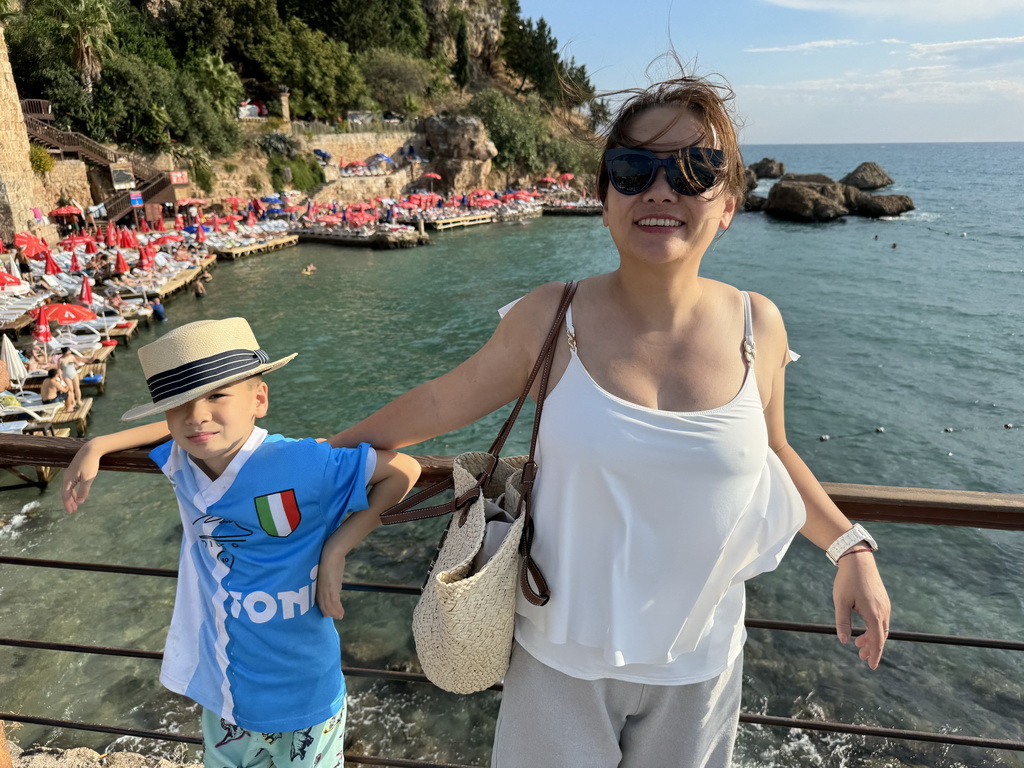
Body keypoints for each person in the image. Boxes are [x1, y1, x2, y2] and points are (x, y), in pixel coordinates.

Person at [321, 72, 891, 766]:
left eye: (693, 170)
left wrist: (848, 547)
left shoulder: (757, 325)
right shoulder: (551, 319)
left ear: (729, 204)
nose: (660, 190)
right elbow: (440, 402)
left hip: (700, 670)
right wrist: (317, 457)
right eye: (633, 169)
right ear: (604, 198)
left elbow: (774, 451)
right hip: (558, 664)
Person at [60, 318, 421, 768]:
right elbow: (178, 430)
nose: (197, 416)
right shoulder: (185, 463)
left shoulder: (302, 462)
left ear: (259, 398)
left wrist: (338, 548)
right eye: (179, 404)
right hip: (225, 692)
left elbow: (404, 471)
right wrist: (98, 444)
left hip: (304, 695)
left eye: (216, 395)